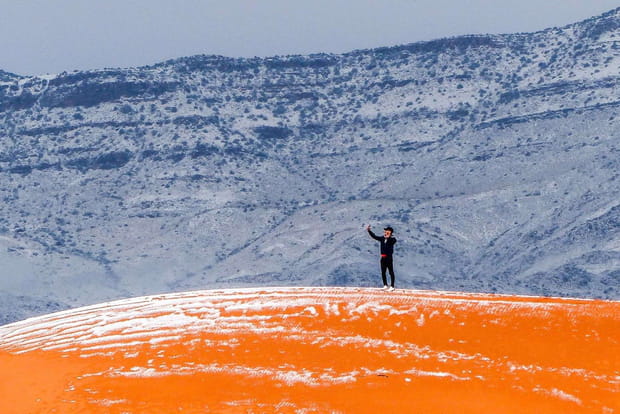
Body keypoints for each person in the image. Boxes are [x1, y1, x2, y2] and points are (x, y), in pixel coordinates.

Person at [366, 225, 397, 291]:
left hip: (389, 258)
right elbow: (375, 236)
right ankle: (385, 285)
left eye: (387, 232)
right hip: (383, 258)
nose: (385, 233)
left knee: (391, 272)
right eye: (385, 231)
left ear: (390, 232)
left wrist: (388, 238)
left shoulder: (392, 239)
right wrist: (369, 231)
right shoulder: (382, 238)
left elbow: (394, 241)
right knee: (383, 272)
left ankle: (392, 286)